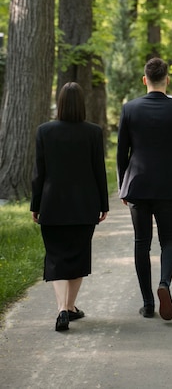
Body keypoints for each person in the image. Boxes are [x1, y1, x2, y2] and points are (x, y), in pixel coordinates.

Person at [117, 57, 172, 321]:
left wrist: (121, 185)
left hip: (137, 184)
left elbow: (121, 152)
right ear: (167, 79)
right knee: (169, 240)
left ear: (144, 80)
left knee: (141, 243)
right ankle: (164, 283)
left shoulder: (129, 109)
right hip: (167, 185)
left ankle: (148, 303)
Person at [31, 82, 109, 332]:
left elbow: (38, 174)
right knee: (78, 256)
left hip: (52, 204)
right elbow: (99, 171)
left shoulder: (44, 131)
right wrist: (104, 204)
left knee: (55, 258)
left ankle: (63, 309)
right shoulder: (94, 132)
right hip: (84, 206)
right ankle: (69, 307)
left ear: (60, 102)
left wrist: (35, 204)